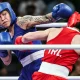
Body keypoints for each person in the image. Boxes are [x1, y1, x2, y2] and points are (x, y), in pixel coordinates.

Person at [0, 2, 72, 80]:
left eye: (4, 14)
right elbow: (7, 61)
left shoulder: (21, 21)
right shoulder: (4, 36)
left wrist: (56, 14)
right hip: (26, 69)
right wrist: (2, 51)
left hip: (40, 63)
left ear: (10, 12)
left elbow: (45, 18)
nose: (3, 19)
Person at [15, 11, 80, 80]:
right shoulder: (77, 39)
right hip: (58, 77)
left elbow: (26, 37)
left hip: (40, 75)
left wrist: (20, 40)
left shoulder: (53, 30)